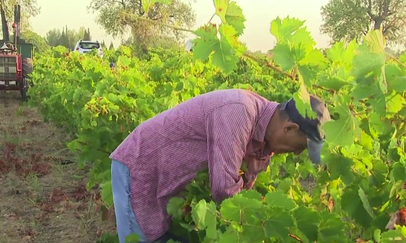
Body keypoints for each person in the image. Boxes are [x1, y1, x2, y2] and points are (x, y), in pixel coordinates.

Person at [110, 89, 331, 243]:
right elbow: (225, 190)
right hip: (142, 168)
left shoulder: (263, 132)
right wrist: (262, 225)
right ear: (290, 128)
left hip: (170, 180)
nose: (298, 153)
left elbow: (243, 190)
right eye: (301, 146)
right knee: (141, 239)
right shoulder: (238, 111)